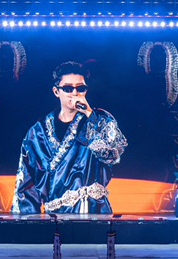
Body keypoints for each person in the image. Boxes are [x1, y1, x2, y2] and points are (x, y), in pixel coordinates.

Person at [12, 61, 128, 215]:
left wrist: (89, 114)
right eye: (68, 89)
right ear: (56, 91)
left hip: (95, 212)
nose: (75, 93)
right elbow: (27, 183)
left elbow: (113, 154)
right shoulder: (37, 133)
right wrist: (29, 221)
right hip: (56, 216)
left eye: (80, 88)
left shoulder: (100, 120)